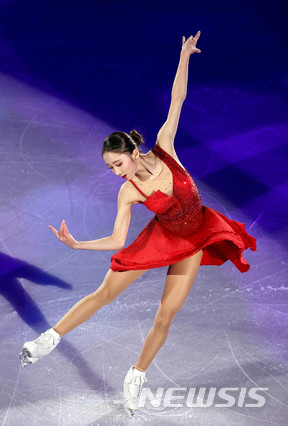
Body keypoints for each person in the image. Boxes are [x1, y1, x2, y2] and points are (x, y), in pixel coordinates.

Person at [19, 31, 256, 415]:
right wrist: (79, 245)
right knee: (104, 293)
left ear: (131, 152)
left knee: (166, 315)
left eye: (118, 164)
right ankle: (49, 338)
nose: (116, 173)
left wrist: (184, 57)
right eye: (111, 169)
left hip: (195, 239)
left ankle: (136, 375)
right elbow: (117, 239)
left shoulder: (166, 146)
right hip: (161, 238)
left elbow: (177, 99)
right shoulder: (129, 191)